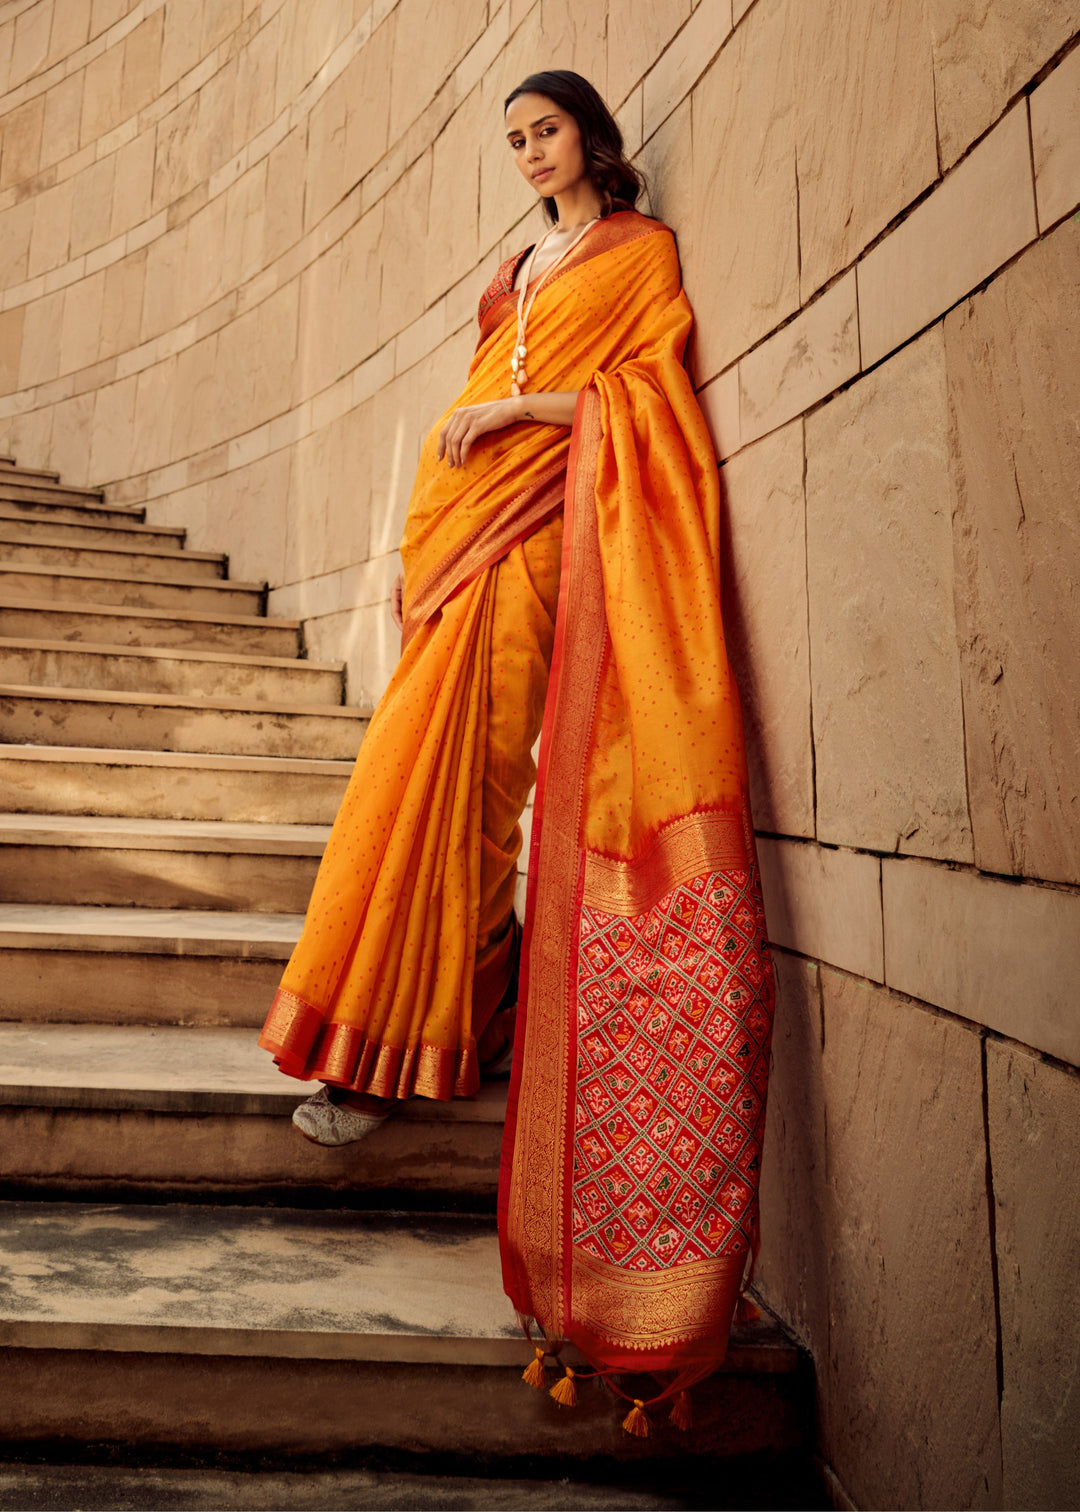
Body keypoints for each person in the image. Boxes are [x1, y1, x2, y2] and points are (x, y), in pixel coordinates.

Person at [258, 69, 776, 1430]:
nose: (528, 153)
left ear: (590, 137)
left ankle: (414, 1038)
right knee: (410, 785)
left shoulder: (638, 257)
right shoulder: (516, 269)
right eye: (511, 141)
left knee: (478, 785)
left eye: (542, 131)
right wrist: (460, 451)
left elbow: (648, 399)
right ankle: (388, 1032)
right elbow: (502, 367)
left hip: (543, 532)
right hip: (462, 538)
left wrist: (515, 420)